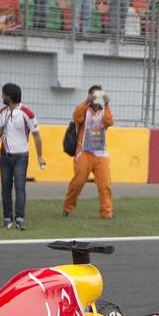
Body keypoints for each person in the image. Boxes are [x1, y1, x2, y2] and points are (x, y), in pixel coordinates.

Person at [0, 83, 45, 230]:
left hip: (21, 157)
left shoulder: (27, 113)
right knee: (5, 188)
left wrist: (40, 156)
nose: (2, 96)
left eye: (3, 94)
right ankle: (7, 219)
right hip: (4, 157)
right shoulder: (2, 112)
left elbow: (36, 136)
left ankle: (19, 218)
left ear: (9, 97)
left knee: (19, 188)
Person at [62, 85, 115, 219]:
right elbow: (76, 116)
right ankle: (67, 207)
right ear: (89, 95)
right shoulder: (83, 110)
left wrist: (107, 104)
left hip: (100, 154)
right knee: (78, 182)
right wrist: (87, 102)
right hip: (84, 152)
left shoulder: (104, 112)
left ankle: (106, 213)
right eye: (93, 95)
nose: (96, 97)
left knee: (105, 185)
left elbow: (109, 121)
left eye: (99, 95)